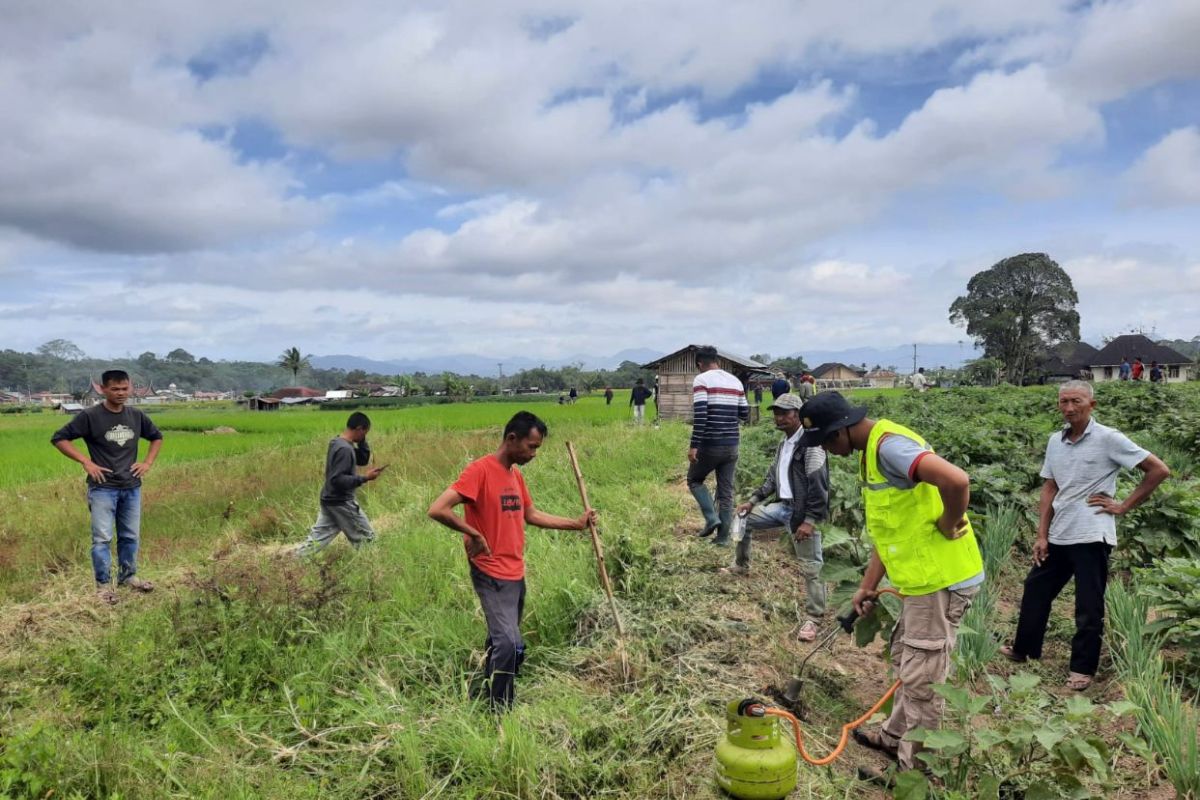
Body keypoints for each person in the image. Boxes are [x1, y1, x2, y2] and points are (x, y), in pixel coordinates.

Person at [796, 391, 984, 776]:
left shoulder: (889, 448)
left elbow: (956, 479)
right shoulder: (870, 454)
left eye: (828, 442)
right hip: (920, 583)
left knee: (924, 678)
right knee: (907, 660)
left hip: (940, 580)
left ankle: (914, 773)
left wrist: (950, 522)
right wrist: (867, 585)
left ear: (842, 430)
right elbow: (890, 531)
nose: (829, 451)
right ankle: (894, 735)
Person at [1001, 381, 1169, 690]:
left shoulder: (1109, 438)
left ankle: (1082, 669)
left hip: (1092, 532)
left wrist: (1123, 506)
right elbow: (1050, 487)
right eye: (1063, 401)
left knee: (1088, 604)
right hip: (1060, 531)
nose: (1068, 408)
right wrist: (1042, 534)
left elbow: (1157, 470)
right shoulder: (1056, 441)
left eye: (1076, 401)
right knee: (1035, 589)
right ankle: (1023, 649)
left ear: (1092, 405)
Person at [427, 411, 595, 709]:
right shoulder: (479, 471)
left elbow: (531, 515)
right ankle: (499, 711)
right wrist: (473, 534)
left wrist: (576, 523)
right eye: (532, 447)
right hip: (490, 572)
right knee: (509, 643)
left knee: (502, 640)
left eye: (537, 448)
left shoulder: (515, 475)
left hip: (515, 572)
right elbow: (438, 509)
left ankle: (483, 688)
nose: (534, 454)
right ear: (511, 439)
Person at [51, 370, 164, 605]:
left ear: (130, 388)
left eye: (125, 388)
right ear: (103, 389)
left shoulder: (136, 416)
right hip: (103, 487)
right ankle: (103, 586)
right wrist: (86, 462)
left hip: (131, 486)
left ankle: (128, 577)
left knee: (130, 536)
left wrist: (147, 462)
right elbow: (60, 438)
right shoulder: (91, 416)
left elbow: (156, 437)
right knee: (102, 539)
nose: (121, 393)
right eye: (115, 389)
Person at [727, 394, 829, 642]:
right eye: (777, 413)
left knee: (811, 566)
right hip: (783, 507)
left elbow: (819, 487)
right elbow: (772, 479)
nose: (779, 418)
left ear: (799, 415)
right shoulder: (784, 444)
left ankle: (814, 618)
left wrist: (810, 521)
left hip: (801, 514)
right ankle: (741, 566)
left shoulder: (811, 446)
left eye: (785, 413)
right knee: (743, 520)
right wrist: (752, 502)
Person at [295, 412, 386, 555]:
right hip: (341, 502)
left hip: (329, 499)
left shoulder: (338, 442)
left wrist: (362, 441)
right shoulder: (344, 449)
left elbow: (362, 460)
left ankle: (296, 562)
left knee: (315, 541)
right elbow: (337, 480)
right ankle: (374, 568)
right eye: (365, 432)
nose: (364, 436)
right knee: (367, 540)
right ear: (359, 428)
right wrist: (365, 478)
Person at [689, 346, 750, 545]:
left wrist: (694, 446)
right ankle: (723, 539)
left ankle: (711, 518)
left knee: (695, 480)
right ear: (716, 360)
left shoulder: (702, 380)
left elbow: (701, 415)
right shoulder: (735, 381)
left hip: (710, 444)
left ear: (700, 364)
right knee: (726, 492)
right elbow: (744, 414)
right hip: (732, 444)